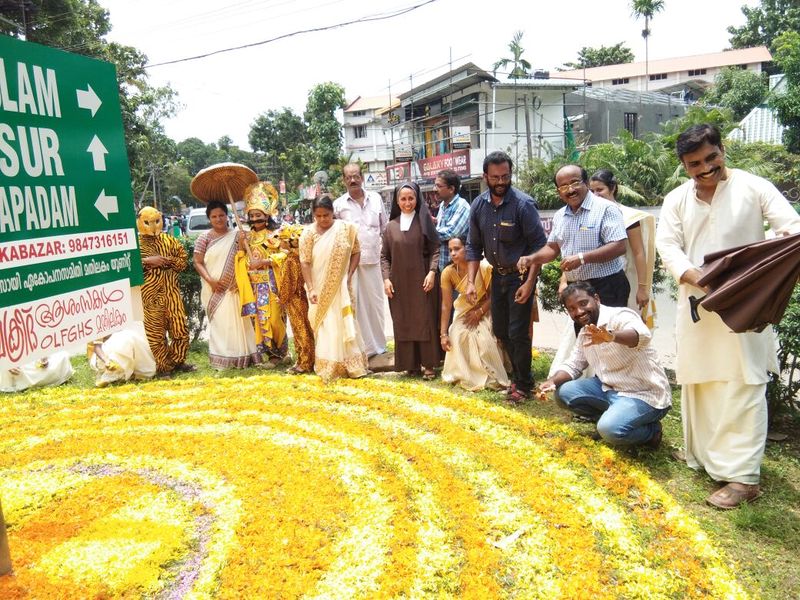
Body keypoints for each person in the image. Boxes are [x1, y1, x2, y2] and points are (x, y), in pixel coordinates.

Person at [656, 123, 800, 509]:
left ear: (722, 150)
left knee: (743, 381)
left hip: (745, 305)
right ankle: (705, 458)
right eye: (694, 164)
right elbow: (667, 246)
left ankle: (743, 478)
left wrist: (753, 269)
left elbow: (793, 228)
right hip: (698, 304)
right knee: (700, 380)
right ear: (683, 166)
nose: (705, 169)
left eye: (711, 158)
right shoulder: (676, 199)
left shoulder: (754, 187)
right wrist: (697, 278)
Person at [538, 282, 671, 448]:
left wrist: (611, 336)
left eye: (583, 303)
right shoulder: (585, 331)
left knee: (609, 430)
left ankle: (652, 432)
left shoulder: (620, 316)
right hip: (609, 388)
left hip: (644, 393)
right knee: (563, 393)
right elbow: (574, 364)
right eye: (571, 308)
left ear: (596, 299)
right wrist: (553, 381)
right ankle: (613, 416)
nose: (579, 312)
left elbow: (642, 335)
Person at [465, 151, 547, 403]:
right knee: (500, 330)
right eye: (495, 177)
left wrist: (530, 283)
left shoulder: (523, 205)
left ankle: (523, 384)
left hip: (520, 278)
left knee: (518, 332)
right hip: (497, 278)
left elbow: (539, 248)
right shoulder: (478, 205)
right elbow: (472, 247)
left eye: (505, 176)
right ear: (485, 177)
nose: (501, 182)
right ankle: (517, 377)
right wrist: (470, 281)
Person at [518, 164, 629, 309]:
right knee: (583, 332)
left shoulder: (606, 208)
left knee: (608, 331)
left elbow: (619, 246)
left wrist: (582, 258)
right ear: (558, 191)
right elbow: (552, 248)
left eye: (575, 183)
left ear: (587, 183)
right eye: (563, 186)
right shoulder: (560, 215)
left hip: (606, 285)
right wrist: (531, 258)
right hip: (576, 288)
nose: (570, 190)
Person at [299, 195, 369, 382]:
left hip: (342, 286)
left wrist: (349, 274)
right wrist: (311, 288)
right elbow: (304, 262)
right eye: (319, 216)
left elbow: (356, 252)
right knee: (325, 324)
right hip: (318, 287)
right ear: (313, 214)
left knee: (343, 319)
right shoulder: (308, 233)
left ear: (333, 213)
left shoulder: (345, 229)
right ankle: (329, 365)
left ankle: (350, 364)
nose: (323, 219)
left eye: (327, 215)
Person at [381, 182, 442, 379]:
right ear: (397, 201)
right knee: (403, 320)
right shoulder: (390, 227)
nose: (407, 203)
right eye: (403, 199)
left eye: (411, 198)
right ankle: (411, 364)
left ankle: (429, 364)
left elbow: (435, 249)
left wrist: (432, 272)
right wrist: (386, 280)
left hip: (422, 280)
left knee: (425, 320)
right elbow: (384, 256)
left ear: (417, 199)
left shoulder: (425, 222)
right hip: (398, 282)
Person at [193, 200, 262, 369]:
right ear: (209, 218)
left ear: (227, 215)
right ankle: (222, 358)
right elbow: (197, 262)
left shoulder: (238, 234)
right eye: (214, 216)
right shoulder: (204, 238)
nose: (218, 219)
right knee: (221, 323)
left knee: (239, 323)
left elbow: (243, 259)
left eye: (221, 215)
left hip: (235, 288)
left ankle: (244, 356)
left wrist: (241, 242)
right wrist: (210, 281)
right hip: (215, 289)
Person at [440, 237, 509, 391]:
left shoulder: (484, 267)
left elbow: (495, 296)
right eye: (450, 250)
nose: (452, 253)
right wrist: (443, 334)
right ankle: (465, 375)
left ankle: (489, 376)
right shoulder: (448, 272)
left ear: (467, 249)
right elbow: (445, 305)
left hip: (487, 309)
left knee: (484, 338)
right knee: (456, 333)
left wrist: (479, 312)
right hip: (465, 310)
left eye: (457, 249)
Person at [333, 163, 388, 357]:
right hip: (350, 265)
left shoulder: (376, 198)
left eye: (356, 176)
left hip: (374, 261)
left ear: (362, 177)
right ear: (344, 180)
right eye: (348, 177)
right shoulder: (338, 205)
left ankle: (379, 347)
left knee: (376, 304)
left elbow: (384, 229)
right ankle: (362, 348)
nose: (353, 180)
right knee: (355, 305)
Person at [589, 169, 656, 319]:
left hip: (624, 282)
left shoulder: (628, 217)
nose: (595, 195)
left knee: (625, 325)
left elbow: (639, 252)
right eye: (591, 191)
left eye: (600, 189)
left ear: (613, 188)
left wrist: (642, 288)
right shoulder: (589, 216)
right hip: (596, 282)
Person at [137, 206, 195, 375]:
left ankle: (177, 361)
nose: (154, 226)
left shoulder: (170, 241)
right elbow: (130, 268)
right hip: (150, 296)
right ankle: (163, 367)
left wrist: (166, 261)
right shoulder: (135, 245)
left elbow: (183, 262)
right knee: (156, 334)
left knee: (180, 330)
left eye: (156, 221)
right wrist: (147, 262)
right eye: (148, 222)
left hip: (172, 293)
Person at [237, 182, 289, 366]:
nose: (255, 219)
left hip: (272, 283)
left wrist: (265, 262)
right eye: (252, 216)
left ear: (266, 216)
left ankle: (283, 351)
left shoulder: (276, 234)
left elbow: (284, 255)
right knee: (259, 320)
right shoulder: (246, 237)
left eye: (258, 215)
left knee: (275, 317)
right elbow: (241, 259)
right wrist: (241, 246)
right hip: (254, 285)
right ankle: (272, 356)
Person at [278, 223, 315, 374]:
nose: (279, 242)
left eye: (282, 239)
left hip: (295, 300)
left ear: (288, 241)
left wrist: (281, 299)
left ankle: (304, 363)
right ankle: (306, 360)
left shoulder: (291, 260)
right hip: (303, 298)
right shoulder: (302, 258)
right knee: (306, 329)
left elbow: (288, 284)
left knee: (301, 331)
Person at [87, 322, 157, 387]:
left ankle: (130, 372)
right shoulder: (100, 319)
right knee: (126, 337)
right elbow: (97, 348)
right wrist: (106, 360)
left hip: (130, 349)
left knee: (133, 333)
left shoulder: (130, 317)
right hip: (105, 356)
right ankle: (111, 376)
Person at [434, 169, 471, 273]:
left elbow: (450, 233)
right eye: (435, 185)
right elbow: (439, 229)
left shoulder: (462, 207)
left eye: (439, 186)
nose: (434, 189)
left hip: (459, 269)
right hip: (443, 267)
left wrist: (427, 232)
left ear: (451, 189)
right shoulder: (442, 205)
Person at [1, 352, 73, 393]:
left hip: (30, 357)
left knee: (62, 355)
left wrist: (43, 355)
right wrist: (7, 364)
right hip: (10, 361)